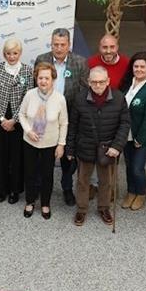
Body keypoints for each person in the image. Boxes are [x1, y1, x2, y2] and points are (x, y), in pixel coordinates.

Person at [67, 66, 130, 227]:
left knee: (106, 181)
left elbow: (125, 124)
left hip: (108, 147)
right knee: (82, 180)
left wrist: (117, 146)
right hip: (85, 145)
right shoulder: (80, 98)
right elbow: (73, 125)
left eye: (101, 82)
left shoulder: (118, 97)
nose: (98, 85)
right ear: (88, 82)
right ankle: (81, 209)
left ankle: (104, 207)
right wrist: (70, 149)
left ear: (108, 81)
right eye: (94, 82)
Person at [34, 28, 88, 205]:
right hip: (44, 117)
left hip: (69, 117)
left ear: (69, 45)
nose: (58, 48)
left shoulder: (80, 63)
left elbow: (84, 92)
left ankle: (66, 188)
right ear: (51, 43)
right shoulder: (42, 59)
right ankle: (40, 188)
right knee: (43, 156)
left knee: (67, 158)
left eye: (62, 45)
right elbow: (35, 87)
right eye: (55, 44)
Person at [18, 62, 68, 220]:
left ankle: (45, 203)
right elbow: (22, 115)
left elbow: (64, 123)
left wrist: (61, 144)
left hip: (50, 144)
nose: (43, 81)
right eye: (40, 78)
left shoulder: (60, 99)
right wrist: (28, 130)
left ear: (53, 79)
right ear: (36, 78)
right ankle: (30, 201)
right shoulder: (29, 95)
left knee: (47, 174)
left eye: (47, 78)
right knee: (30, 173)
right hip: (30, 141)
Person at [0, 38, 33, 205]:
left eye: (14, 53)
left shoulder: (27, 70)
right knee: (1, 155)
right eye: (8, 53)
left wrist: (13, 120)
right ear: (4, 54)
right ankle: (2, 189)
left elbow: (28, 98)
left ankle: (15, 190)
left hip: (19, 120)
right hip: (0, 119)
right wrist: (1, 119)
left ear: (19, 53)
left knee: (16, 156)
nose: (11, 56)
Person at [118, 52, 146, 211]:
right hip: (126, 134)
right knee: (129, 165)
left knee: (137, 167)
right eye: (136, 66)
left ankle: (140, 193)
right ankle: (130, 192)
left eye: (143, 66)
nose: (139, 69)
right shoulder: (127, 83)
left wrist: (140, 139)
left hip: (143, 136)